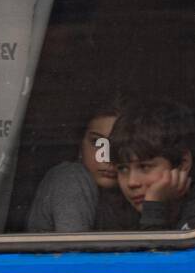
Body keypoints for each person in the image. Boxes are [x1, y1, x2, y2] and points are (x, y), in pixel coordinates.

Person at [110, 98, 195, 231]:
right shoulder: (122, 212)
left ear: (183, 163)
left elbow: (154, 251)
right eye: (123, 169)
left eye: (145, 167)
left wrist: (153, 207)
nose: (132, 182)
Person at [26, 98, 132, 233]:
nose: (106, 157)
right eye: (97, 142)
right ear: (80, 146)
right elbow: (75, 252)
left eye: (118, 145)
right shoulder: (71, 177)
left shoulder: (125, 198)